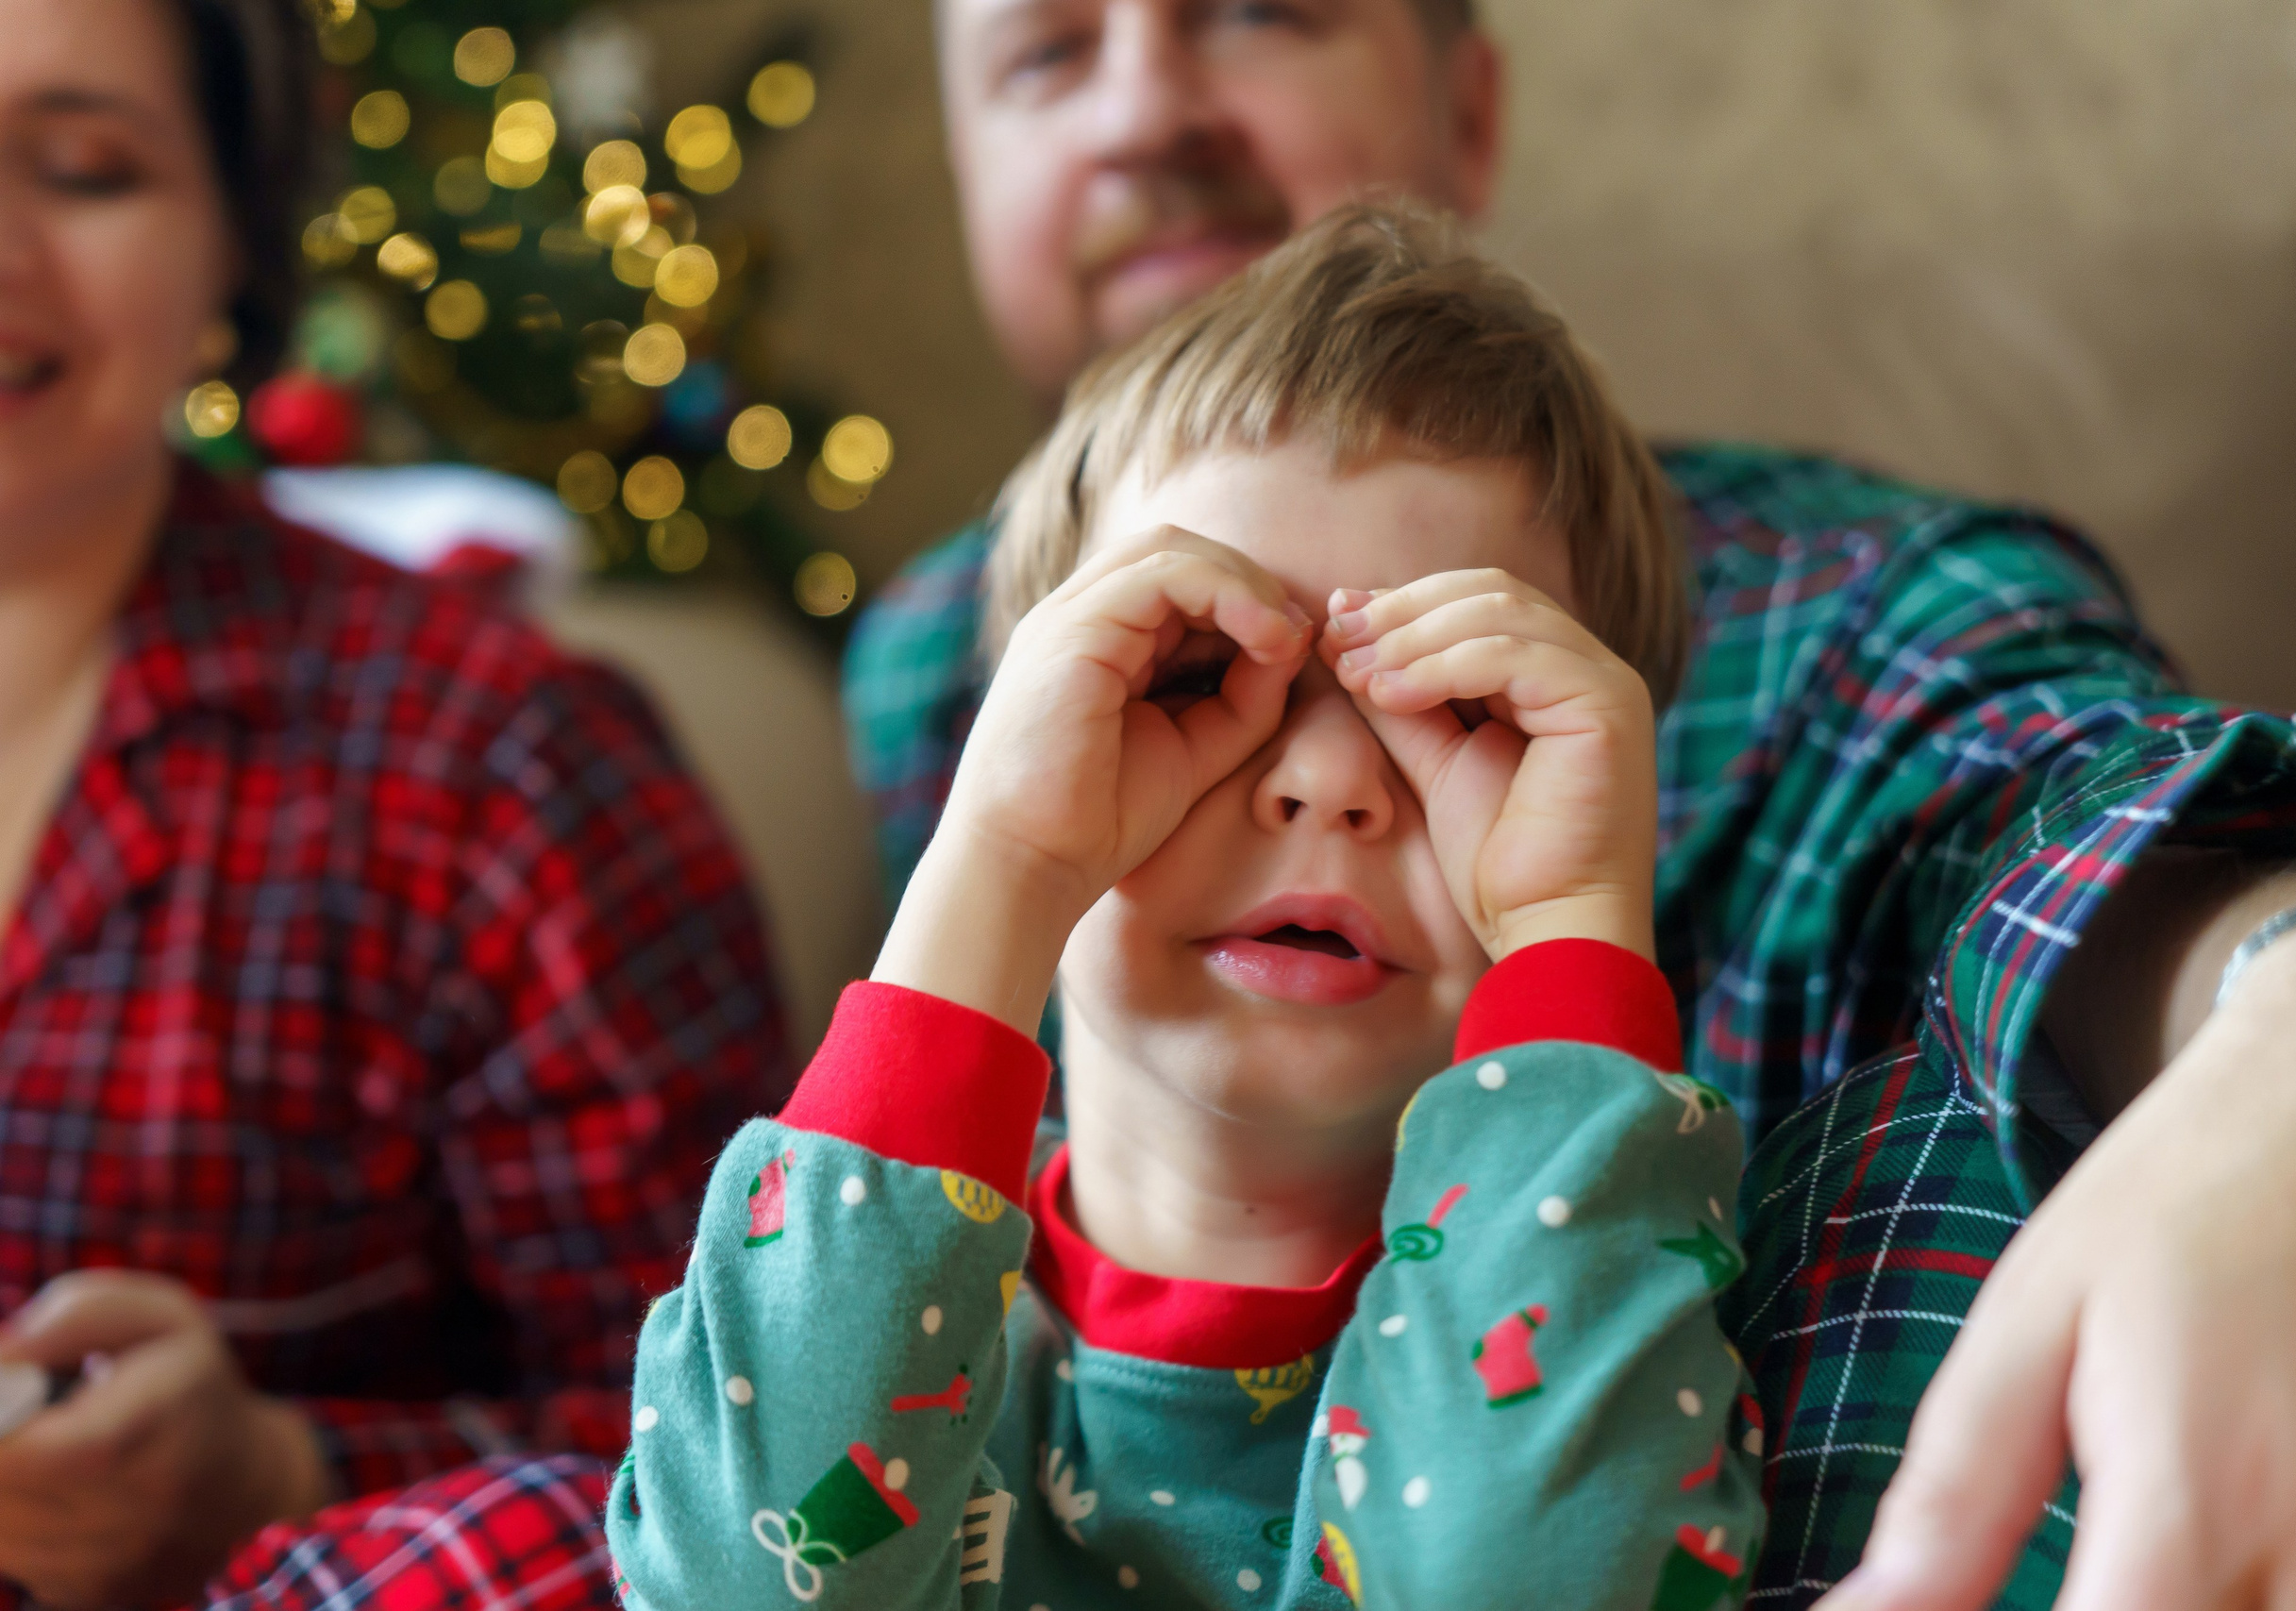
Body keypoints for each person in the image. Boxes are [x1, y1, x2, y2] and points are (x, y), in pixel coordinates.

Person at [843, 1, 2296, 1606]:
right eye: (1045, 54)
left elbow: (2071, 782)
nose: (1142, 112)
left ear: (1469, 107)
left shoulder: (1860, 599)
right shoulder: (919, 670)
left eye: (1262, 9)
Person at [610, 204, 1765, 1611]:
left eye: (1461, 709)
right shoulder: (884, 1330)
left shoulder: (1620, 1291)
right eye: (1189, 675)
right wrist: (1002, 860)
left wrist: (1576, 919)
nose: (1332, 781)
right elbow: (733, 1583)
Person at [0, 0, 787, 1605]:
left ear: (235, 246)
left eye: (83, 169)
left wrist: (277, 1482)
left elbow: (757, 1450)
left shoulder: (500, 761)